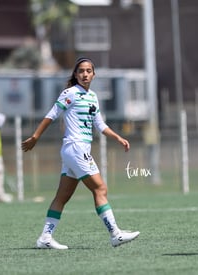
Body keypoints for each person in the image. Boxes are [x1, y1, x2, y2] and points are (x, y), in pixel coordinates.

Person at [22, 57, 140, 250]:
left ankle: (45, 237)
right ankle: (115, 234)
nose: (85, 74)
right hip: (75, 148)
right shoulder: (70, 93)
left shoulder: (92, 96)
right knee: (100, 189)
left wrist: (118, 138)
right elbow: (51, 114)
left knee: (62, 197)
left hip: (75, 151)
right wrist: (35, 137)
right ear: (75, 75)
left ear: (94, 74)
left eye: (88, 71)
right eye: (81, 71)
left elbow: (100, 124)